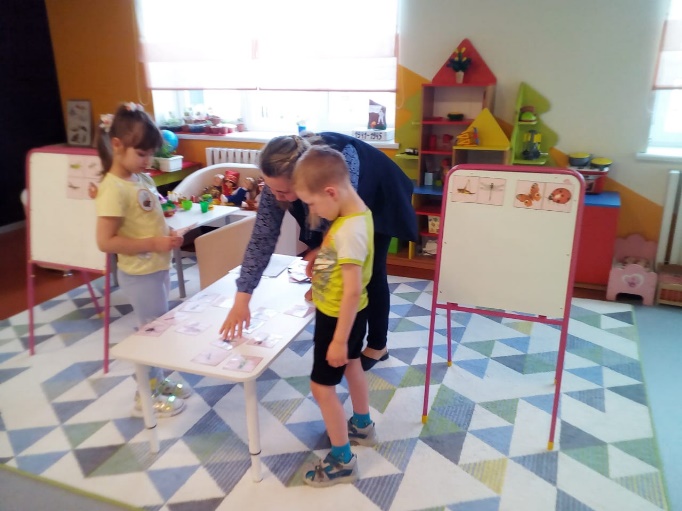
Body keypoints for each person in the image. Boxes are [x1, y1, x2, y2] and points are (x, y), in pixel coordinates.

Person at [219, 133, 417, 370]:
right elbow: (261, 240)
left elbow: (343, 219)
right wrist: (241, 300)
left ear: (302, 179)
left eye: (283, 191)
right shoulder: (278, 185)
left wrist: (322, 251)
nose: (276, 197)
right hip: (335, 204)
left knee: (369, 272)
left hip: (379, 193)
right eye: (271, 188)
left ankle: (377, 345)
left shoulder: (340, 161)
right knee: (329, 257)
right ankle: (349, 343)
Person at [94, 102, 191, 418]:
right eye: (141, 154)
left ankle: (157, 382)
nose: (147, 161)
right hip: (139, 273)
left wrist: (169, 234)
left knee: (158, 327)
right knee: (151, 331)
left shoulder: (140, 179)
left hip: (156, 267)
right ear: (117, 145)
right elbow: (105, 241)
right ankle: (145, 395)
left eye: (150, 154)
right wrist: (154, 243)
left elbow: (149, 219)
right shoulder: (113, 189)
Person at [291, 145, 376, 487]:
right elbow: (338, 247)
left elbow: (351, 290)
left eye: (311, 204)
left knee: (321, 387)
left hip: (339, 317)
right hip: (349, 314)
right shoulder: (353, 213)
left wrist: (339, 340)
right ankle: (362, 425)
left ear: (330, 192)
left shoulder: (350, 231)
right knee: (353, 365)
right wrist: (320, 256)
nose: (313, 211)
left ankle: (342, 461)